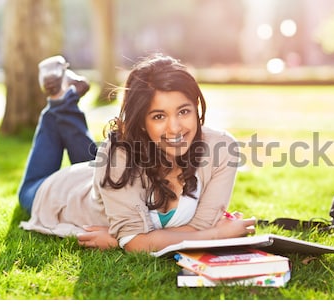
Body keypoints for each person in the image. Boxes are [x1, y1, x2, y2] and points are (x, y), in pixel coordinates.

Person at [18, 53, 256, 253]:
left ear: (196, 108)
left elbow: (197, 228)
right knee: (30, 189)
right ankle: (59, 100)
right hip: (60, 192)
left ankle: (64, 97)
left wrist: (137, 239)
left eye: (184, 111)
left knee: (105, 161)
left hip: (107, 177)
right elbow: (139, 242)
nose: (175, 128)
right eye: (159, 116)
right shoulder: (117, 156)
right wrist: (216, 235)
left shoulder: (222, 148)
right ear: (141, 122)